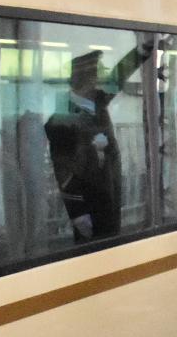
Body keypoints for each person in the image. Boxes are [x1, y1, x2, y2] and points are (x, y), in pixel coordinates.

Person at [46, 44, 146, 242]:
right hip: (87, 203)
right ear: (89, 79)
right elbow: (63, 172)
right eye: (100, 73)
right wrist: (77, 213)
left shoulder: (97, 102)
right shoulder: (60, 121)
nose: (105, 78)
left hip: (108, 193)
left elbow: (120, 74)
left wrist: (143, 50)